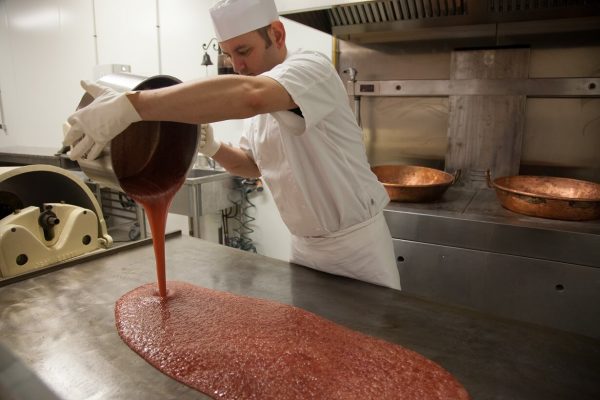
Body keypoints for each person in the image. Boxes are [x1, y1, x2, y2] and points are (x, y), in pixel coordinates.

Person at [63, 0, 401, 290]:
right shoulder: (259, 106)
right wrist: (212, 148)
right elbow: (252, 165)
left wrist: (131, 106)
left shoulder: (311, 69)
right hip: (305, 248)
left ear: (277, 35)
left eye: (244, 51)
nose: (238, 65)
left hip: (357, 249)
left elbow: (249, 96)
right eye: (228, 54)